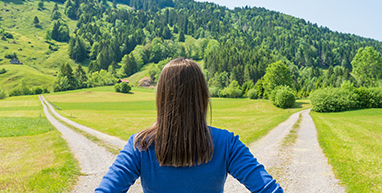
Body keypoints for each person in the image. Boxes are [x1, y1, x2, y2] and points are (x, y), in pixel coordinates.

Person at [95, 58, 283, 193]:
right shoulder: (227, 143)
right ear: (202, 96)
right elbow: (269, 189)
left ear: (161, 97)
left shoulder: (140, 145)